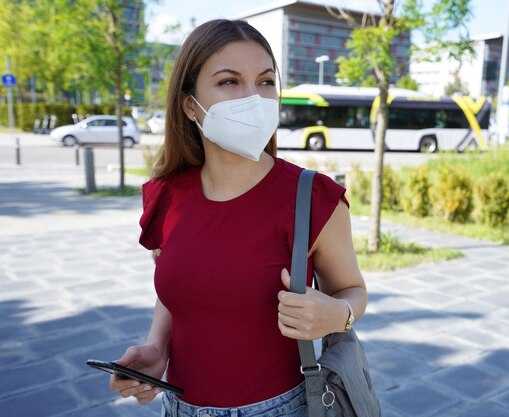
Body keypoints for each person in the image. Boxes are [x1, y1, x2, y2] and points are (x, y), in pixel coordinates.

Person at [110, 19, 368, 417]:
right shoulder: (168, 196)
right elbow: (176, 289)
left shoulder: (314, 198)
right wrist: (156, 349)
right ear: (189, 103)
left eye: (265, 81)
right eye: (229, 82)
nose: (254, 97)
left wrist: (340, 315)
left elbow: (352, 291)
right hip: (177, 408)